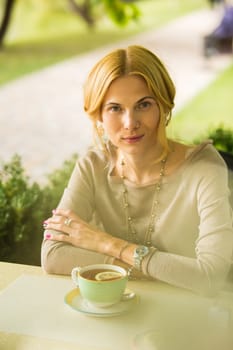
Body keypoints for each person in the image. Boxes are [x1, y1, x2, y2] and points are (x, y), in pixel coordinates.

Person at [41, 45, 233, 296]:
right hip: (117, 314)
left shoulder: (204, 168)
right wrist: (171, 272)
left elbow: (211, 276)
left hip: (193, 319)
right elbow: (53, 255)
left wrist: (107, 244)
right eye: (115, 108)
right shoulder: (92, 166)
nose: (130, 123)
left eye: (143, 105)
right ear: (97, 115)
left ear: (163, 106)